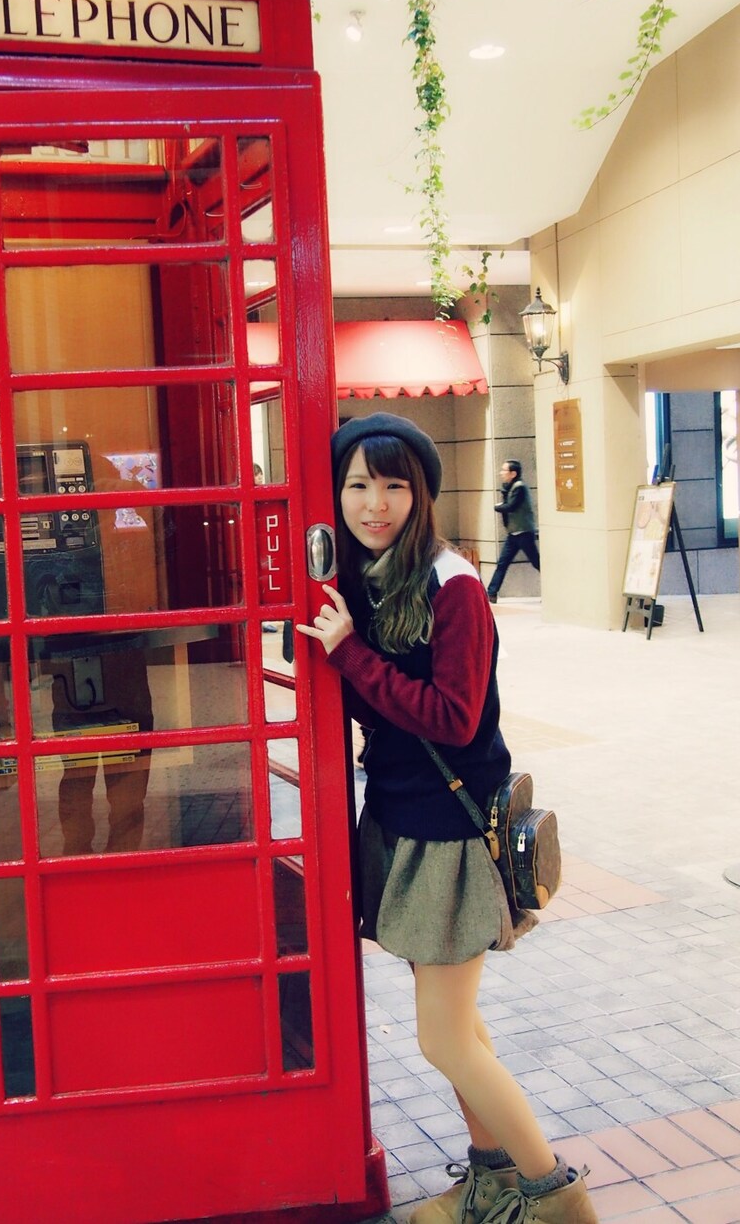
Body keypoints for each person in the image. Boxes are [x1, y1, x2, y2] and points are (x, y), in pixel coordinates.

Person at [297, 413, 596, 1224]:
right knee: (458, 1025)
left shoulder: (451, 583)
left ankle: (555, 1196)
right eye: (358, 485)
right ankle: (491, 1177)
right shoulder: (369, 580)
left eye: (395, 485)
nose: (375, 503)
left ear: (421, 493)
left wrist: (350, 653)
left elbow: (455, 718)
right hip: (401, 820)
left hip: (450, 832)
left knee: (444, 1038)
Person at [487, 460, 540, 604]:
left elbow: (511, 506)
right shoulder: (510, 488)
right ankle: (491, 593)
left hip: (524, 533)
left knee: (537, 562)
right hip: (513, 534)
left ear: (513, 473)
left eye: (504, 470)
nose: (501, 473)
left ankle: (553, 588)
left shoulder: (519, 488)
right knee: (502, 563)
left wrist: (497, 507)